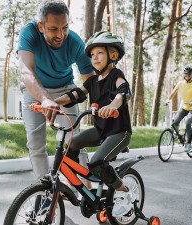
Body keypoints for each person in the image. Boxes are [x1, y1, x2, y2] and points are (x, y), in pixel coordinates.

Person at [54, 31, 134, 217]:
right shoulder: (91, 81)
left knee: (97, 162)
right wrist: (52, 102)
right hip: (100, 130)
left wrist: (113, 104)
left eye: (99, 53)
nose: (94, 57)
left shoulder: (116, 75)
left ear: (113, 55)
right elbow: (75, 95)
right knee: (70, 145)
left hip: (119, 132)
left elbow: (123, 91)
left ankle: (123, 191)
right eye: (92, 55)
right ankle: (82, 186)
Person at [17, 0, 94, 186]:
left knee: (75, 141)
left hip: (65, 87)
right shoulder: (30, 33)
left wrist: (76, 98)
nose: (61, 35)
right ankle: (45, 192)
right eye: (53, 29)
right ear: (41, 26)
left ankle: (87, 191)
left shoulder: (75, 42)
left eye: (65, 27)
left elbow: (91, 81)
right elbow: (26, 71)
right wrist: (44, 98)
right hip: (34, 88)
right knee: (35, 143)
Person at [165, 66, 192, 153]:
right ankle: (177, 134)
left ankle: (188, 145)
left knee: (188, 123)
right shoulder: (180, 83)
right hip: (184, 107)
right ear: (184, 75)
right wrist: (168, 99)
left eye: (189, 74)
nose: (187, 75)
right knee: (175, 122)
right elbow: (173, 93)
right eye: (186, 74)